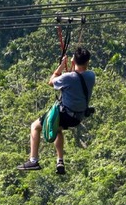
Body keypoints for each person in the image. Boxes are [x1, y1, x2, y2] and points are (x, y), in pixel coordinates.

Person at [18, 46, 93, 174]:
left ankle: (33, 160)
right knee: (58, 129)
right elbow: (76, 79)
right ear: (88, 62)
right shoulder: (91, 76)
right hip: (77, 118)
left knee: (34, 126)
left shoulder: (68, 77)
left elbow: (51, 82)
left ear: (74, 60)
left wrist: (61, 66)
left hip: (65, 114)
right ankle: (60, 162)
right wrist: (72, 66)